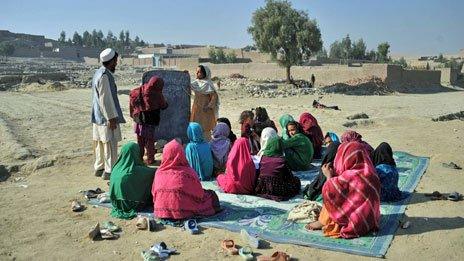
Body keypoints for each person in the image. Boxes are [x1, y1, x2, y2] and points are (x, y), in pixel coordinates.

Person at [307, 141, 381, 239]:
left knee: (331, 191)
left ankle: (323, 221)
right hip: (370, 219)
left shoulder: (350, 176)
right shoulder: (370, 172)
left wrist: (328, 176)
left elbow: (331, 192)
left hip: (356, 222)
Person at [152, 140, 220, 220]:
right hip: (184, 213)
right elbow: (199, 195)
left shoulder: (159, 172)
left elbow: (154, 193)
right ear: (181, 153)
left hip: (161, 211)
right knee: (211, 196)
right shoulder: (188, 173)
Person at [91, 48, 125, 180]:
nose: (116, 64)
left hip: (98, 116)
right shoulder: (105, 76)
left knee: (100, 142)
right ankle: (109, 171)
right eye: (115, 61)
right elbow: (105, 99)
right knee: (110, 144)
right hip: (106, 118)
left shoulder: (98, 73)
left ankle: (99, 168)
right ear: (111, 61)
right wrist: (111, 118)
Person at [109, 142, 155, 219]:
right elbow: (154, 172)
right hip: (131, 203)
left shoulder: (116, 168)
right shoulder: (137, 171)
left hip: (115, 202)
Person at [130, 76, 168, 165]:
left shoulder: (139, 89)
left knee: (140, 141)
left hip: (138, 120)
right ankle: (150, 159)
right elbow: (163, 105)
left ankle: (139, 159)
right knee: (149, 141)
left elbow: (132, 101)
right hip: (149, 121)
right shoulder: (157, 94)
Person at [255, 137, 301, 201]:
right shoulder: (282, 160)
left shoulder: (263, 158)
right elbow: (289, 177)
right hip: (277, 189)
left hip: (263, 187)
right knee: (296, 181)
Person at [190, 65, 219, 140]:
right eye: (197, 71)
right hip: (196, 109)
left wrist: (208, 106)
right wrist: (185, 75)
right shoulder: (196, 83)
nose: (197, 73)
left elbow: (214, 97)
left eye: (199, 72)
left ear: (205, 73)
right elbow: (187, 86)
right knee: (195, 126)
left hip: (205, 110)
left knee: (205, 129)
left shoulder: (208, 84)